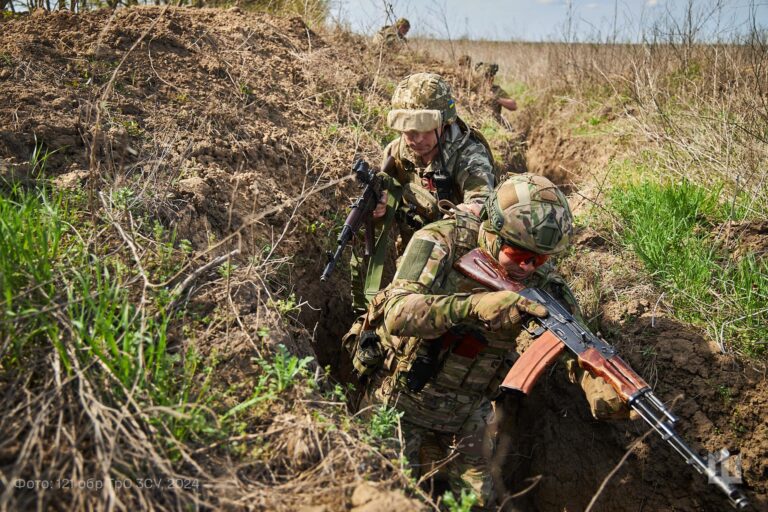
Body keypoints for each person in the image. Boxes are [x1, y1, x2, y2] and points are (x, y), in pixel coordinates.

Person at [352, 174, 629, 509]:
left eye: (540, 259)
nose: (528, 267)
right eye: (519, 254)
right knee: (382, 496)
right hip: (397, 402)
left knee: (475, 503)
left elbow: (572, 339)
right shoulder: (442, 240)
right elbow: (396, 313)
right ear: (494, 231)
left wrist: (593, 379)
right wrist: (472, 306)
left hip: (467, 414)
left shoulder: (541, 282)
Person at [349, 72, 497, 312]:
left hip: (462, 264)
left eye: (423, 129)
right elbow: (388, 209)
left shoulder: (469, 154)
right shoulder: (396, 152)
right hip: (413, 260)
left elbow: (482, 204)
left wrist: (461, 214)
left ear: (444, 122)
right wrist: (381, 208)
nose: (414, 139)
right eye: (406, 130)